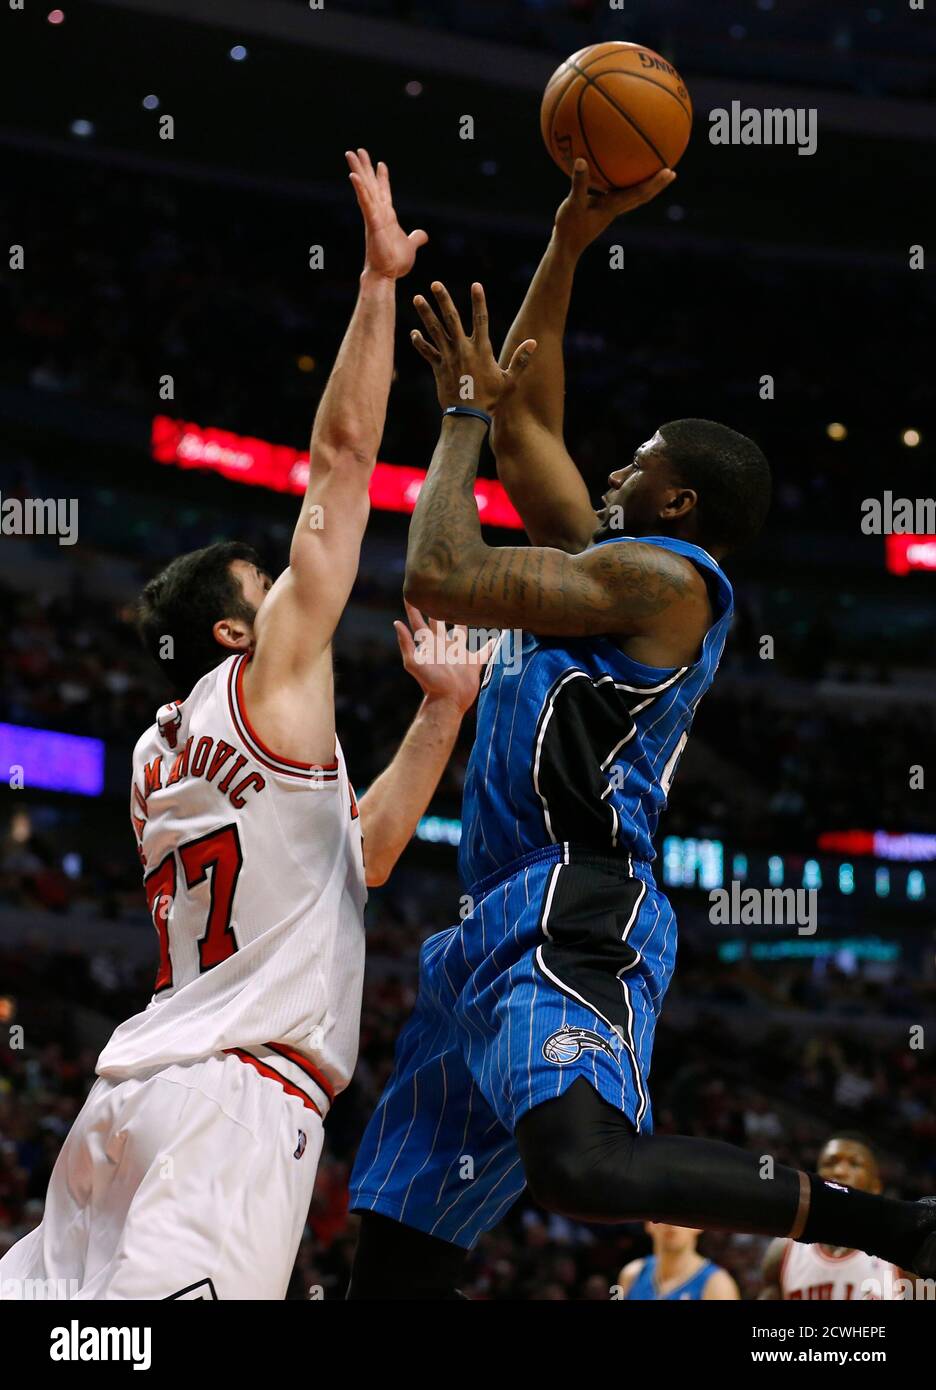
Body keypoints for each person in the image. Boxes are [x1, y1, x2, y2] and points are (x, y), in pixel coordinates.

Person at [344, 161, 936, 1297]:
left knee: (585, 1166)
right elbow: (525, 425)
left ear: (677, 503)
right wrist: (567, 239)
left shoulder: (671, 583)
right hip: (483, 929)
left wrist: (460, 413)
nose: (611, 466)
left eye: (638, 462)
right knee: (394, 1261)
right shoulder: (602, 564)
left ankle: (887, 1222)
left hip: (580, 901)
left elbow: (440, 565)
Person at [0, 150, 484, 1300]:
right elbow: (340, 464)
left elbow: (351, 858)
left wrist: (441, 712)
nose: (285, 593)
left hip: (125, 1102)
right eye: (261, 586)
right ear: (235, 631)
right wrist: (375, 285)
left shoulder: (151, 754)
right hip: (232, 1107)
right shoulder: (269, 676)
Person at [760, 1134, 901, 1300]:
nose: (839, 1172)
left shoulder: (900, 1253)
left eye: (855, 1164)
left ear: (876, 1187)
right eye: (830, 1163)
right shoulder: (783, 1250)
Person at [618, 1222, 739, 1301]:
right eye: (664, 1214)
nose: (672, 1223)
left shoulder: (717, 1285)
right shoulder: (631, 1274)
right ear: (649, 1223)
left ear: (698, 1224)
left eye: (681, 1215)